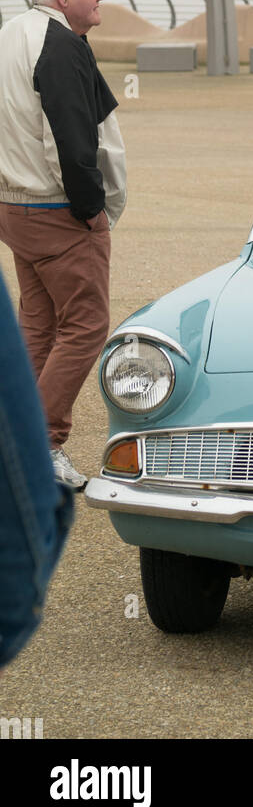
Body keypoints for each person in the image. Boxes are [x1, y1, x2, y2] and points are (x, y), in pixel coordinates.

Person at [0, 0, 126, 490]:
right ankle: (40, 448)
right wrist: (92, 209)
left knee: (40, 322)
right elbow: (73, 143)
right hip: (55, 209)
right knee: (86, 325)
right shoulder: (60, 46)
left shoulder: (10, 34)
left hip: (14, 206)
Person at [0, 274, 75, 668]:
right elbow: (9, 604)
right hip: (66, 218)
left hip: (15, 216)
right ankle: (48, 442)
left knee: (38, 318)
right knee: (87, 322)